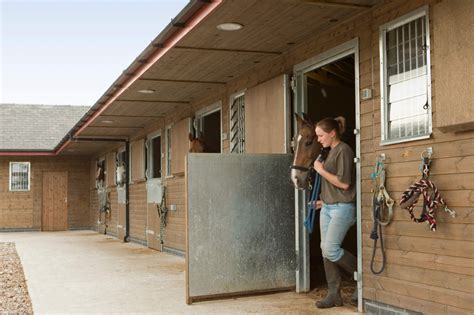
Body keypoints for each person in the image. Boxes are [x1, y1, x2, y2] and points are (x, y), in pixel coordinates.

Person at [313, 116, 357, 309]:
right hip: (329, 207)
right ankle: (334, 295)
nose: (318, 139)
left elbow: (345, 183)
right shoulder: (328, 152)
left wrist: (320, 171)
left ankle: (361, 275)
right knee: (325, 249)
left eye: (321, 135)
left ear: (332, 133)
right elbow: (334, 187)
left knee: (330, 248)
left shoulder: (344, 151)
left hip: (343, 207)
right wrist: (324, 201)